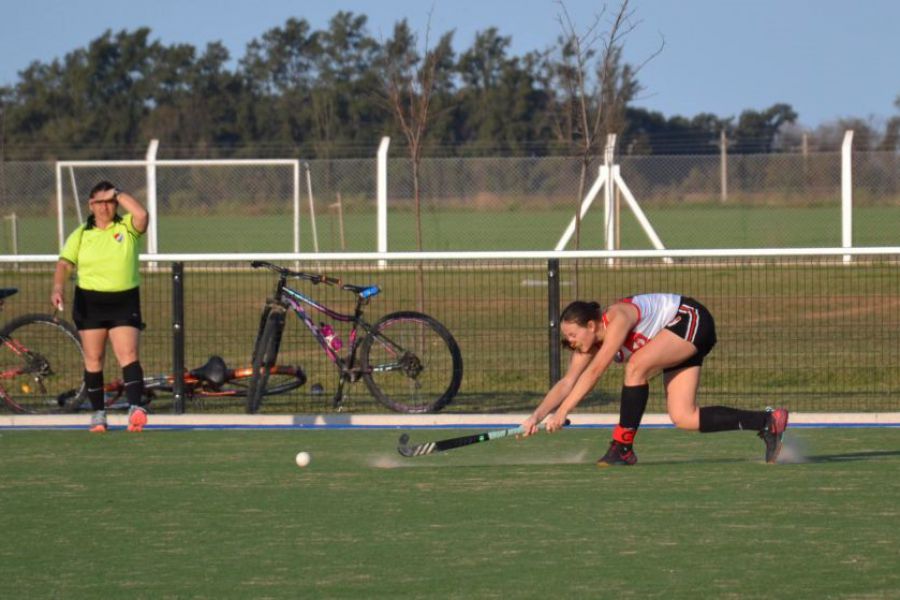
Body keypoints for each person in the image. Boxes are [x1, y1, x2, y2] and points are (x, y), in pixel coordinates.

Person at [522, 294, 789, 465]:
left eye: (572, 335)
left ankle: (622, 447)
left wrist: (564, 411)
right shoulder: (586, 346)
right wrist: (537, 415)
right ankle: (767, 422)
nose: (570, 341)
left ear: (591, 326)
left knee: (636, 366)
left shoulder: (617, 317)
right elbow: (567, 382)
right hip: (674, 339)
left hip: (690, 320)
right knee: (684, 417)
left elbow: (596, 371)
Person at [51, 181, 150, 433]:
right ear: (90, 205)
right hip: (90, 302)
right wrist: (58, 287)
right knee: (94, 359)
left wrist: (118, 192)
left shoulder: (127, 227)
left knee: (128, 354)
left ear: (116, 203)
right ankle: (98, 413)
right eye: (99, 202)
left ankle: (135, 409)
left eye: (109, 202)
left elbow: (141, 215)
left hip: (124, 300)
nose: (104, 207)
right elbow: (64, 264)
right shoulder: (81, 233)